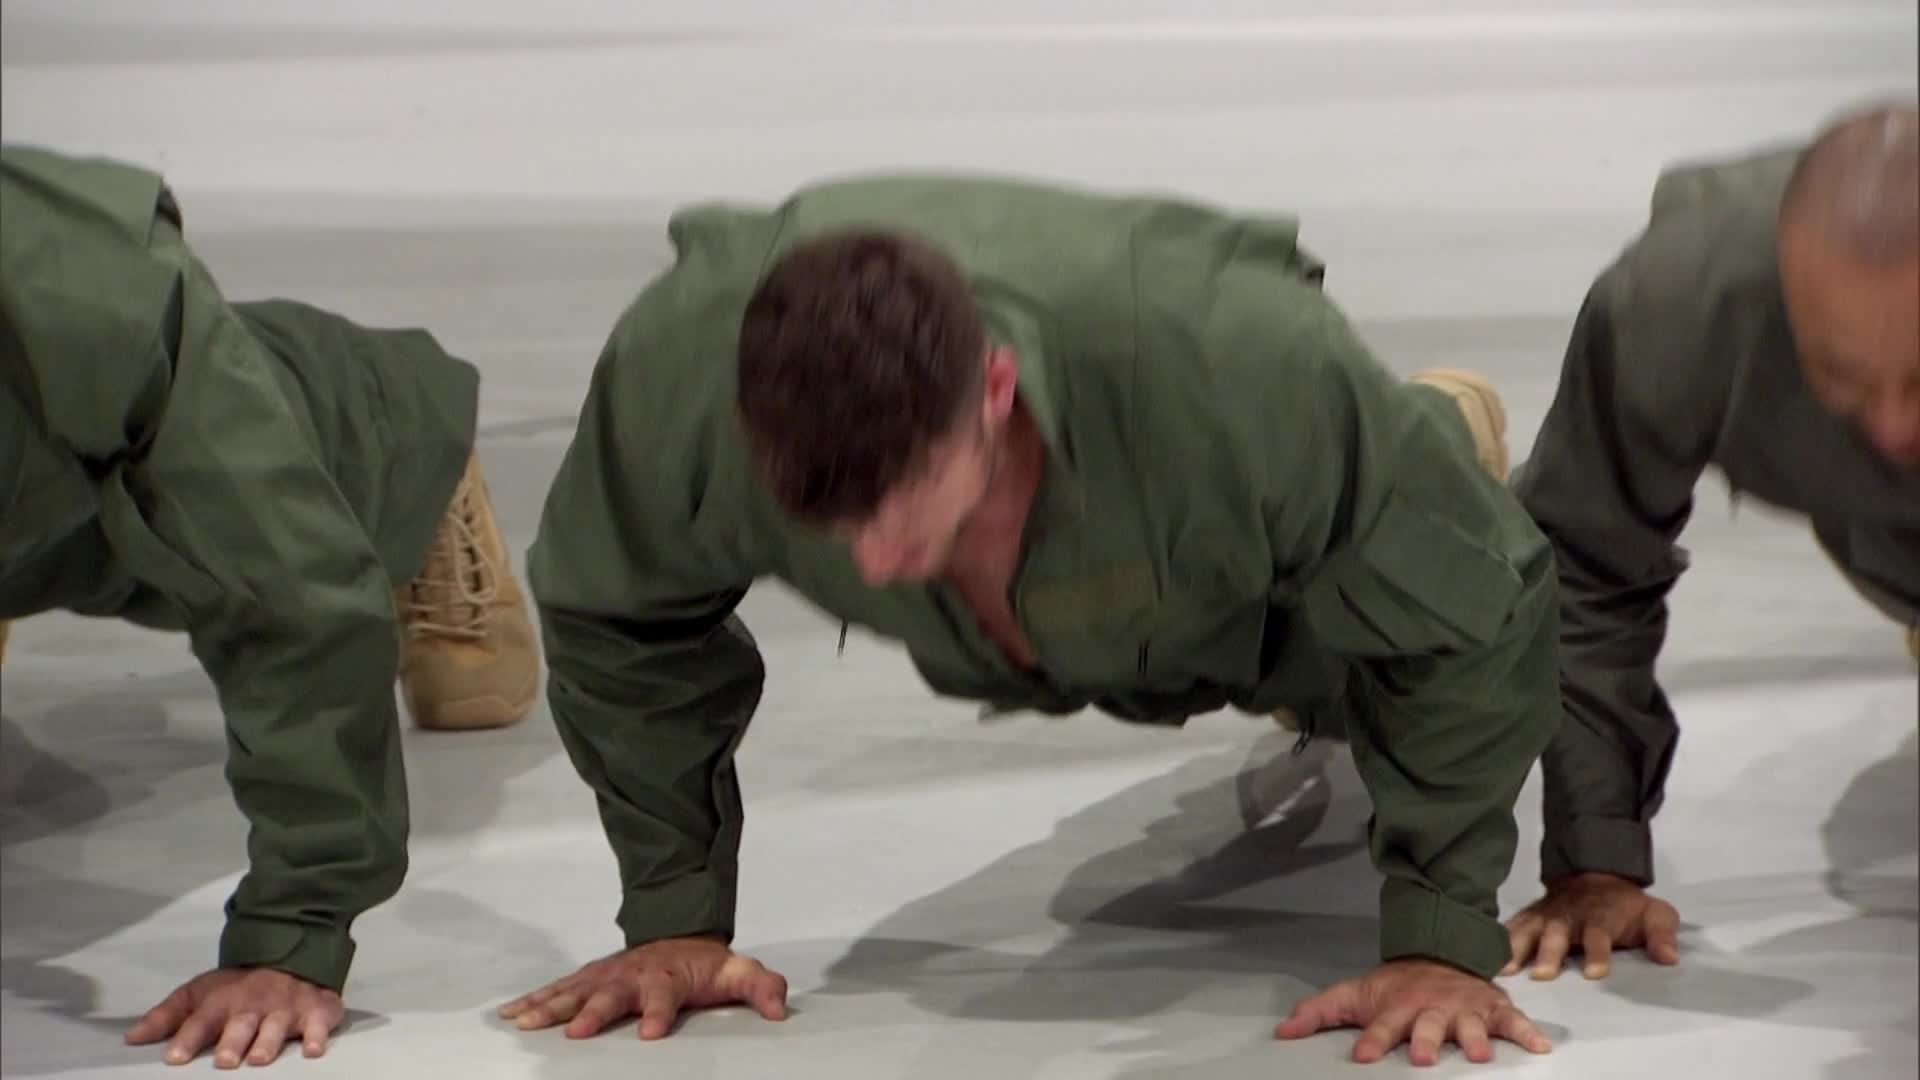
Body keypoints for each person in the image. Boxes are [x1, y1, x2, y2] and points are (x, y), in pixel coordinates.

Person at [508, 174, 1565, 1066]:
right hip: (1127, 573)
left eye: (899, 502)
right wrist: (676, 919)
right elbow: (616, 619)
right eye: (824, 520)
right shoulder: (679, 383)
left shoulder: (1244, 370)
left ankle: (1431, 436)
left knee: (1365, 654)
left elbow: (1474, 620)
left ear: (994, 390)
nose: (871, 562)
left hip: (1227, 533)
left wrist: (1436, 937)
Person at [0, 145, 542, 1067]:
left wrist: (293, 928)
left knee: (224, 473)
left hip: (82, 392)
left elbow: (287, 588)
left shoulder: (84, 300)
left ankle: (403, 427)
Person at [1502, 101, 1920, 983]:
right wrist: (1595, 856)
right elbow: (1584, 564)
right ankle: (1435, 442)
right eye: (1843, 372)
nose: (1891, 423)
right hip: (1839, 497)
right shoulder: (1679, 309)